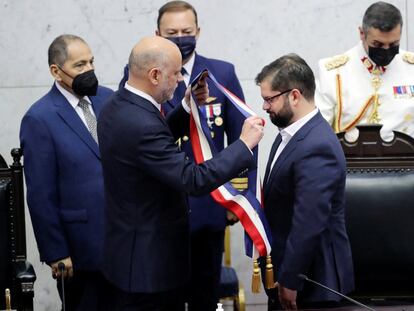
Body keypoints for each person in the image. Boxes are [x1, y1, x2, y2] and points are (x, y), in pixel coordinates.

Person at [97, 36, 263, 311]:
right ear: (154, 75)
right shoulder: (139, 122)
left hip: (130, 254)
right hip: (148, 269)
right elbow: (192, 179)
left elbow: (155, 142)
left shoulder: (118, 105)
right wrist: (243, 146)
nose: (179, 80)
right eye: (175, 74)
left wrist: (186, 106)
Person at [120, 2, 247, 309]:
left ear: (198, 32)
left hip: (209, 205)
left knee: (205, 296)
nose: (180, 38)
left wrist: (236, 197)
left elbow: (240, 137)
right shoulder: (138, 75)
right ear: (157, 34)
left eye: (187, 32)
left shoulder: (221, 72)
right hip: (159, 209)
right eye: (172, 33)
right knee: (166, 298)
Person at [20, 34, 113, 310]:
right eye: (80, 65)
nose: (89, 71)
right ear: (56, 71)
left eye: (91, 62)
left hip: (121, 242)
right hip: (78, 250)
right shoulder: (40, 118)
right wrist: (56, 252)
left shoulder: (108, 99)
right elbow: (40, 194)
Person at [256, 54, 354, 310]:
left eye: (269, 99)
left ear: (295, 95)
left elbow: (308, 221)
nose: (265, 107)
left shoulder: (317, 145)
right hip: (288, 270)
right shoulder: (287, 135)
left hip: (311, 282)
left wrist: (290, 279)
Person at [316, 1, 414, 142]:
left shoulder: (411, 67)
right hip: (352, 160)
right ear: (362, 33)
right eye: (378, 44)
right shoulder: (333, 72)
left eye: (393, 44)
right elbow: (320, 129)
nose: (386, 49)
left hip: (405, 159)